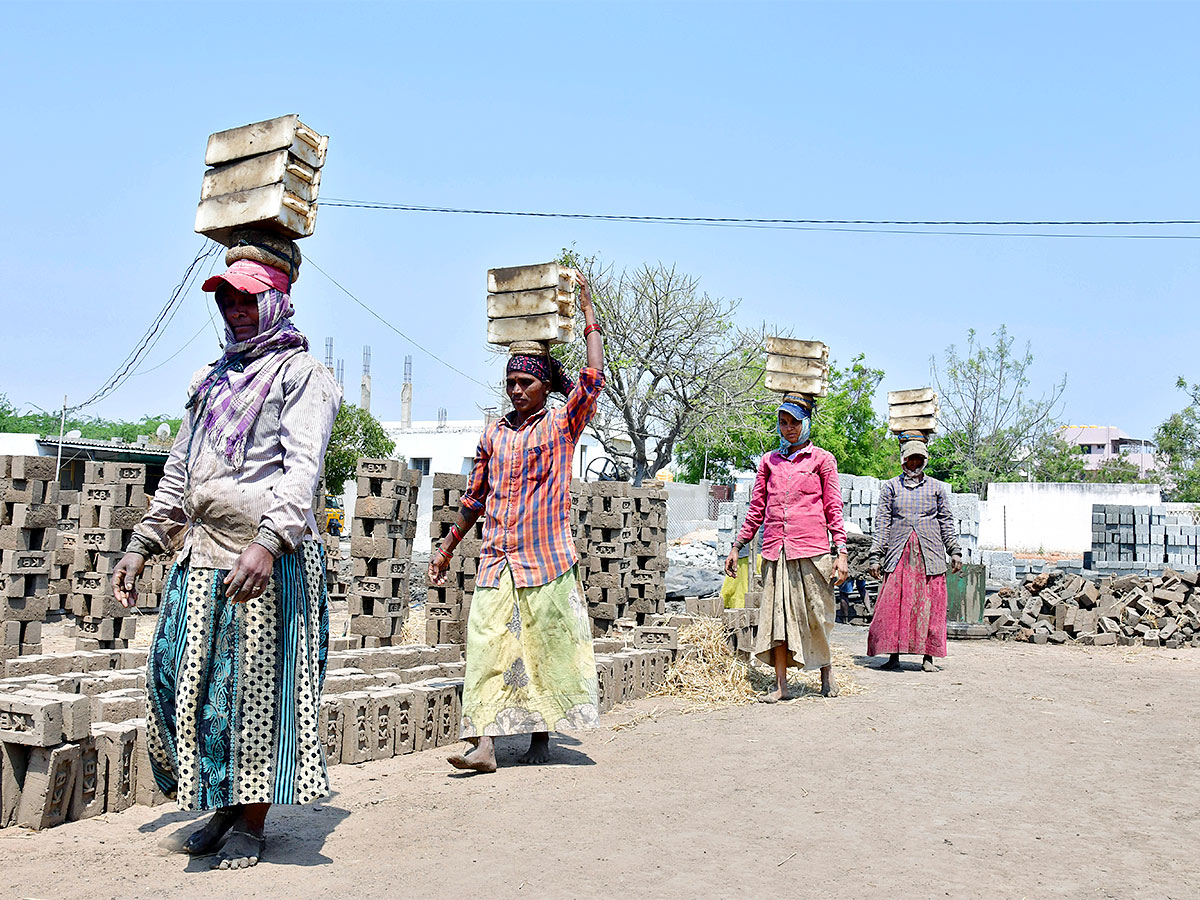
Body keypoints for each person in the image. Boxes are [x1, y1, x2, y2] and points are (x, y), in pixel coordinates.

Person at [111, 258, 341, 870]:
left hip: (269, 559)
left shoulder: (302, 376)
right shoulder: (211, 380)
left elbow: (301, 470)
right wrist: (142, 544)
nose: (235, 310)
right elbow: (181, 468)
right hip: (203, 553)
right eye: (226, 301)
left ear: (274, 302)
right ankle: (221, 801)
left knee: (256, 695)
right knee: (179, 683)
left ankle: (253, 819)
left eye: (246, 299)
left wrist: (269, 542)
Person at [429, 277, 605, 773]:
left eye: (525, 382)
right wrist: (446, 549)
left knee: (542, 643)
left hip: (546, 558)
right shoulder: (493, 435)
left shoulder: (561, 426)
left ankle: (540, 736)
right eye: (510, 383)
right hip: (497, 558)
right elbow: (474, 498)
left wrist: (589, 314)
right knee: (486, 642)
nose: (516, 390)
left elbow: (593, 376)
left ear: (544, 385)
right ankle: (483, 746)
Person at [724, 395, 848, 700]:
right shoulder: (769, 461)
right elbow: (756, 510)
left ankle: (826, 672)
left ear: (807, 423)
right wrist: (737, 546)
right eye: (783, 422)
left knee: (816, 615)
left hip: (812, 549)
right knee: (776, 616)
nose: (788, 428)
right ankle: (781, 686)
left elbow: (833, 507)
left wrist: (841, 552)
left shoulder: (822, 459)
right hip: (776, 551)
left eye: (794, 422)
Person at [866, 438, 962, 672]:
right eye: (911, 458)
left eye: (919, 458)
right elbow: (882, 523)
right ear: (903, 461)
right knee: (894, 607)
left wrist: (955, 551)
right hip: (899, 556)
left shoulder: (937, 487)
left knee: (929, 608)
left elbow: (946, 521)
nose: (915, 463)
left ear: (925, 461)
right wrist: (875, 556)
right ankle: (893, 656)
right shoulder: (891, 487)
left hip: (930, 557)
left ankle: (928, 658)